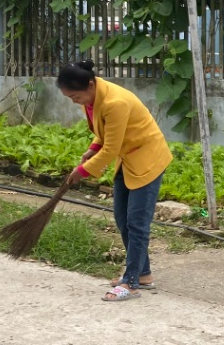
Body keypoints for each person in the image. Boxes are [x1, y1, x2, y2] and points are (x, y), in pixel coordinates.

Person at [58, 61, 173, 302]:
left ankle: (130, 283)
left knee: (137, 222)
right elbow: (105, 134)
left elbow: (110, 149)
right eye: (69, 97)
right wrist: (92, 148)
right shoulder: (93, 98)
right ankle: (143, 274)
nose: (74, 101)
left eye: (75, 96)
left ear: (90, 85)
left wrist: (83, 170)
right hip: (128, 157)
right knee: (123, 218)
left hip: (147, 158)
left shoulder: (114, 102)